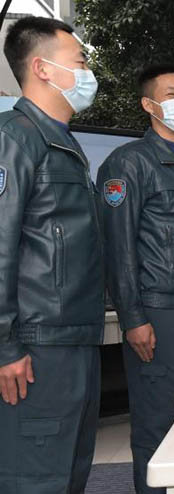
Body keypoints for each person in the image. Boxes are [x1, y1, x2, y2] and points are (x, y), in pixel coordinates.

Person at [97, 64, 174, 494]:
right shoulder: (129, 162)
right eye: (171, 93)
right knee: (156, 422)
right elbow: (118, 246)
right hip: (158, 309)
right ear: (149, 104)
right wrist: (133, 316)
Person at [0, 16, 104, 493]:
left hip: (73, 338)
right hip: (35, 347)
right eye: (79, 62)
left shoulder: (60, 141)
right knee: (36, 476)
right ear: (42, 68)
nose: (87, 72)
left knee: (69, 470)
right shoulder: (14, 138)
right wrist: (6, 348)